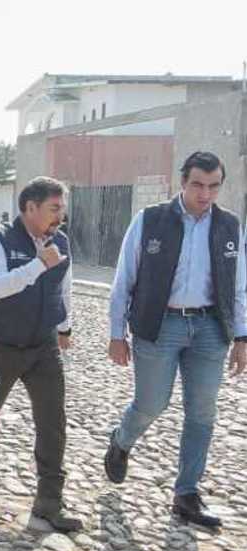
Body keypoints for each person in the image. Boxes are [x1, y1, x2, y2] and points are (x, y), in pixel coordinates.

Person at [105, 151, 247, 530]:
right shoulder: (150, 220)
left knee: (202, 413)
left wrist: (242, 336)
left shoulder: (230, 226)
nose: (206, 194)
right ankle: (121, 441)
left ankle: (186, 493)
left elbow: (239, 286)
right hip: (160, 324)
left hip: (209, 328)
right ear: (182, 182)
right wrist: (117, 333)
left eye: (214, 186)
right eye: (199, 184)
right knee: (151, 403)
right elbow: (124, 280)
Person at [0, 176, 80, 532]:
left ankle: (49, 501)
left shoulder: (59, 241)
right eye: (53, 208)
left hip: (43, 346)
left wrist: (65, 326)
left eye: (62, 208)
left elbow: (65, 285)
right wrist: (37, 265)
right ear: (30, 208)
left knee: (52, 422)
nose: (60, 216)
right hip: (1, 344)